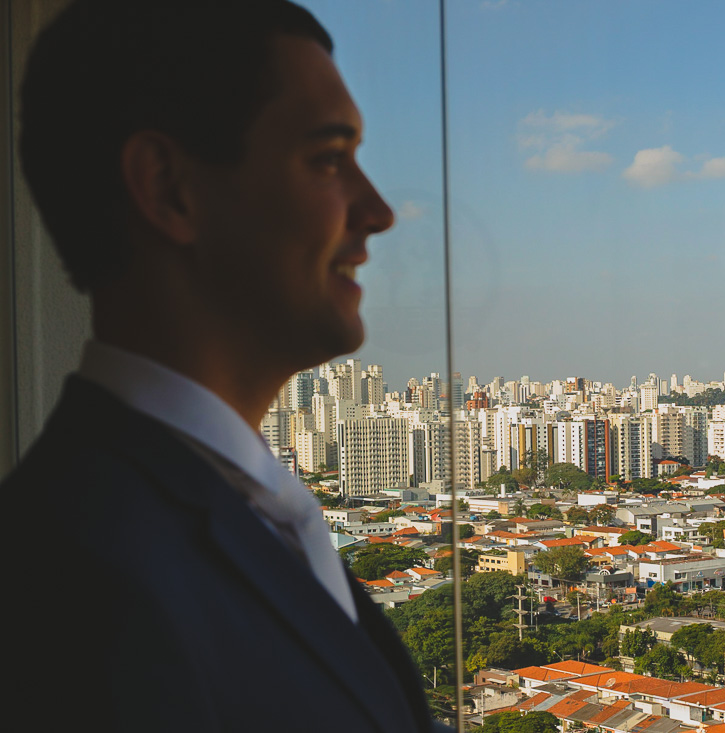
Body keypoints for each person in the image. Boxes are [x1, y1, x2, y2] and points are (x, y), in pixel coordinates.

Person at [3, 1, 448, 730]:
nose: (377, 211)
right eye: (329, 158)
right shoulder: (76, 584)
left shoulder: (232, 505)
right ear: (170, 188)